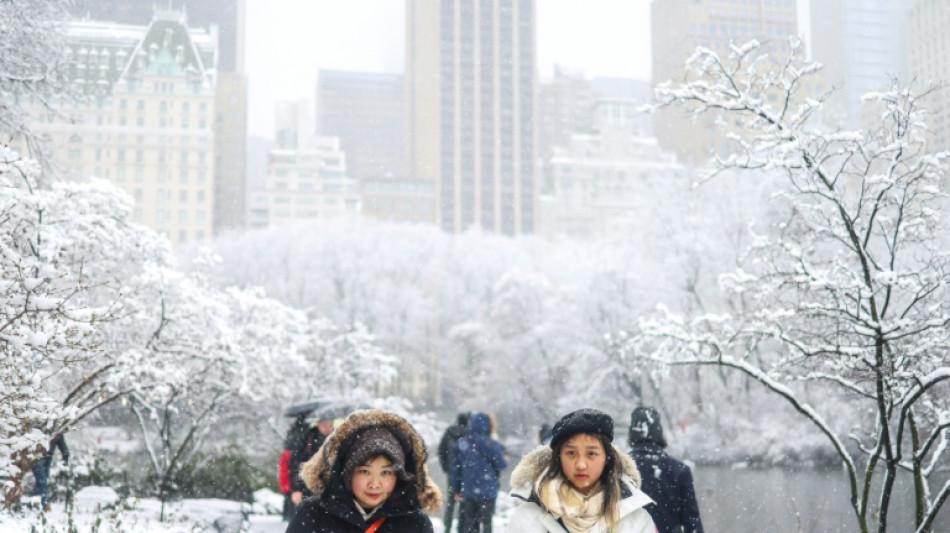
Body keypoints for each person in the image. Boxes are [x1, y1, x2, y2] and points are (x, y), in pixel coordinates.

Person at [285, 409, 442, 533]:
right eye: (364, 471)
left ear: (400, 475)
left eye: (386, 473)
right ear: (348, 472)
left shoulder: (414, 523)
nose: (375, 484)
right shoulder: (314, 514)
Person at [507, 408, 657, 533]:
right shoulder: (528, 518)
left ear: (607, 458)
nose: (581, 465)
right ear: (558, 458)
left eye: (591, 454)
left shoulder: (635, 520)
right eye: (571, 453)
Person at [628, 406, 704, 533]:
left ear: (632, 433)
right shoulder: (679, 470)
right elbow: (692, 522)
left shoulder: (616, 469)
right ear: (659, 432)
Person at [451, 412, 507, 533]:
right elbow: (502, 465)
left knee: (469, 522)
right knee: (487, 523)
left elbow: (456, 470)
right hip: (488, 491)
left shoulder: (462, 444)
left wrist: (456, 489)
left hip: (469, 491)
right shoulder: (492, 444)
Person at [289, 415, 335, 509]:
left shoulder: (337, 437)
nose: (327, 428)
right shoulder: (307, 438)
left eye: (330, 424)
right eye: (324, 425)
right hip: (309, 485)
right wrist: (297, 489)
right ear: (318, 424)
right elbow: (296, 464)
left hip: (332, 485)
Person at [438, 412, 470, 533]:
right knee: (464, 502)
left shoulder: (449, 432)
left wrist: (445, 467)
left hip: (451, 471)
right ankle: (460, 529)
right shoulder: (469, 434)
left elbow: (441, 450)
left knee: (451, 501)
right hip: (465, 473)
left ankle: (447, 527)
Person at [280, 413, 309, 521]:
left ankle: (287, 516)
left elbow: (285, 470)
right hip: (293, 480)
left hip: (290, 481)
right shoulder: (305, 433)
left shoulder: (294, 431)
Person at [32, 432, 69, 512]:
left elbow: (62, 444)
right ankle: (44, 504)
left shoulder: (56, 430)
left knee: (41, 481)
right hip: (36, 456)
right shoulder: (39, 425)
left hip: (48, 457)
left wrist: (65, 455)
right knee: (42, 479)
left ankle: (36, 503)